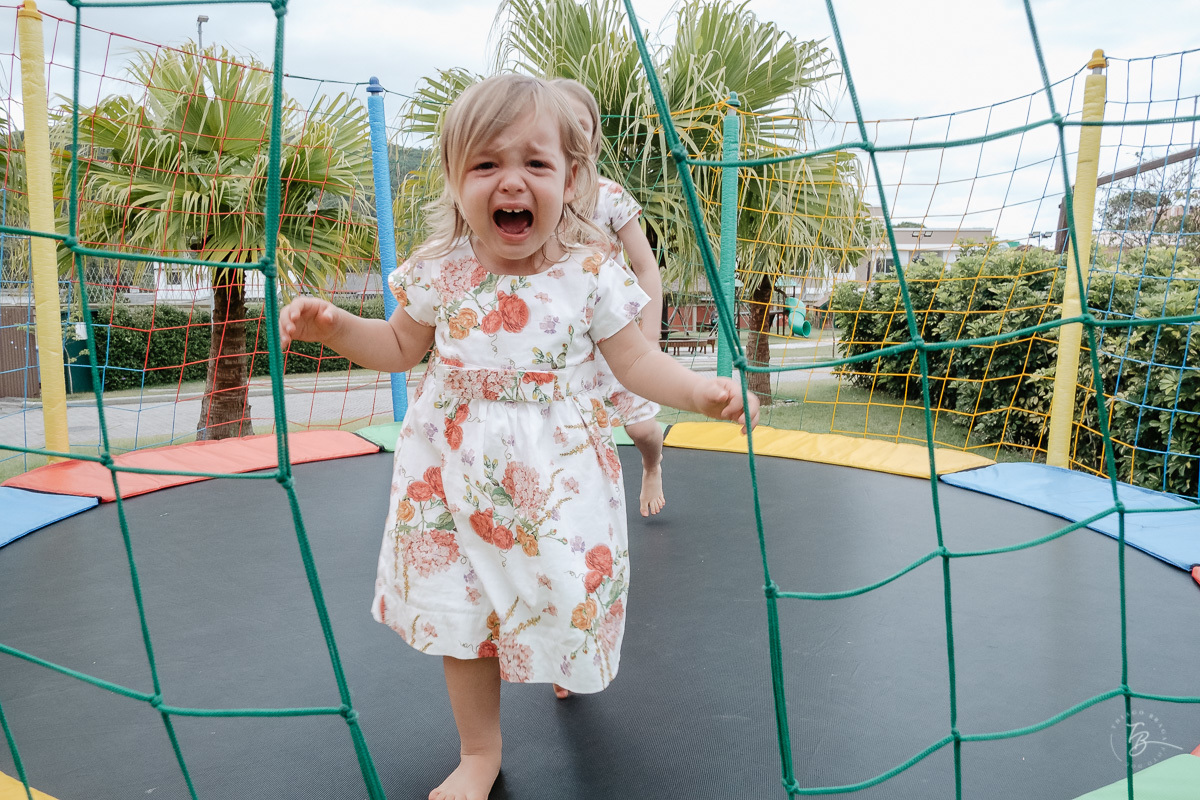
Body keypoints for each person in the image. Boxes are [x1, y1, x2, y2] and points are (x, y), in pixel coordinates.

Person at [279, 74, 758, 800]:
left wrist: (702, 391)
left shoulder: (590, 274)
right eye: (487, 164)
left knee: (561, 599)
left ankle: (562, 664)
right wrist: (337, 328)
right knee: (460, 617)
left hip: (554, 480)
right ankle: (480, 754)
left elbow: (636, 361)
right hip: (447, 477)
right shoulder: (438, 273)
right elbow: (399, 347)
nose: (512, 181)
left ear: (572, 179)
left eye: (535, 164)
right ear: (453, 178)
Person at [551, 77, 668, 520]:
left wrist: (650, 337)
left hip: (616, 332)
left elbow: (645, 267)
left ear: (594, 136)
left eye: (580, 125)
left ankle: (652, 463)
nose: (571, 135)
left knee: (641, 429)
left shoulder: (610, 197)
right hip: (565, 340)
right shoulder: (534, 197)